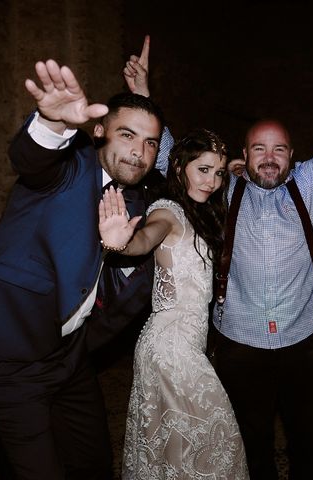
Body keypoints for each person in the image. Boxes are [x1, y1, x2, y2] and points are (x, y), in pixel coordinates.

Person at [124, 19, 313, 478]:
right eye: (258, 149)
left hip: (304, 340)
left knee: (308, 446)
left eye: (278, 149)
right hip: (239, 344)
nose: (269, 157)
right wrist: (145, 95)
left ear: (292, 156)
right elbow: (178, 157)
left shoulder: (308, 182)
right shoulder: (224, 188)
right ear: (245, 155)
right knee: (251, 448)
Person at [0, 59, 171, 479]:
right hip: (7, 358)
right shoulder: (69, 168)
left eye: (150, 143)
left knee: (93, 464)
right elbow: (31, 159)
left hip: (69, 357)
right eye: (127, 135)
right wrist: (51, 124)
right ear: (98, 132)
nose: (138, 151)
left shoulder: (133, 199)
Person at [98, 128, 248, 479]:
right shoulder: (168, 211)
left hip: (185, 344)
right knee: (218, 439)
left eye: (218, 173)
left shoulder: (202, 215)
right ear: (179, 168)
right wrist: (120, 242)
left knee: (179, 451)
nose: (211, 181)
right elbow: (144, 239)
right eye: (203, 169)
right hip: (170, 348)